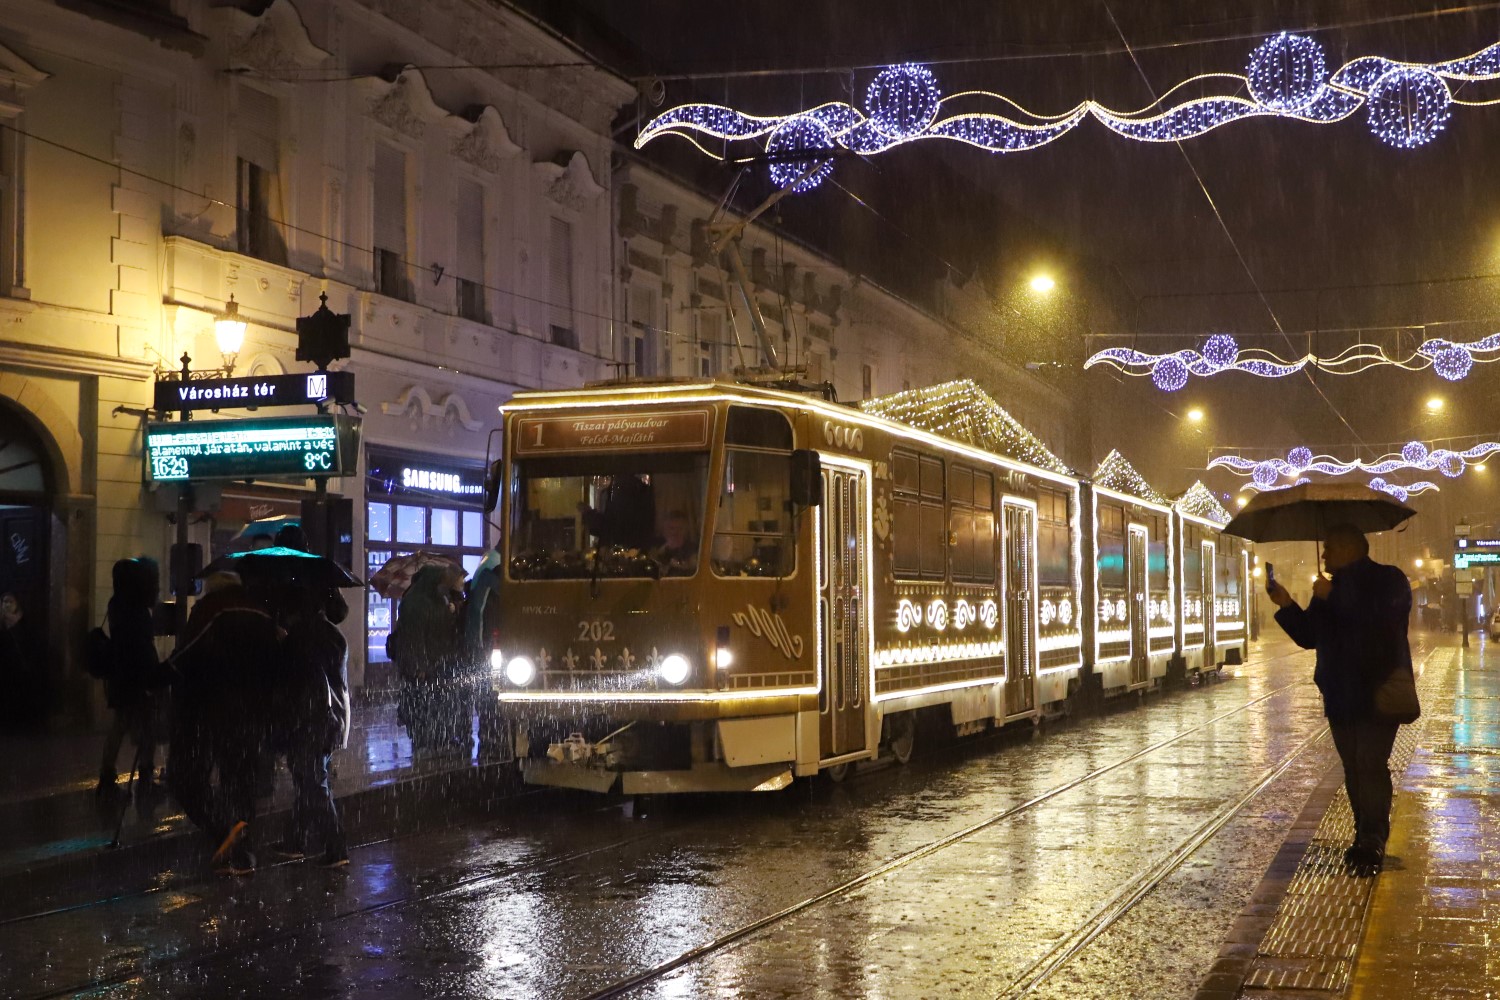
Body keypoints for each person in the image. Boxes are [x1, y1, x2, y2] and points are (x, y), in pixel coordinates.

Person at [1267, 524, 1414, 873]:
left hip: (1378, 694)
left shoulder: (1389, 580)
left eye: (1329, 547)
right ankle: (1362, 835)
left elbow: (1382, 624)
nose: (1324, 554)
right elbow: (1309, 636)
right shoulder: (1327, 589)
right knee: (1354, 768)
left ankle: (1372, 840)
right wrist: (1287, 604)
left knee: (1370, 765)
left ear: (1350, 548)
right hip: (1339, 694)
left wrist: (1335, 596)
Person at [170, 572, 281, 875]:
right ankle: (242, 849)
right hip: (253, 715)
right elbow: (277, 663)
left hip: (210, 711)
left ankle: (222, 831)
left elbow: (185, 657)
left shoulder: (210, 611)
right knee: (239, 780)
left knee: (185, 777)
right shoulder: (261, 613)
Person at [272, 583, 350, 868]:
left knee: (313, 781)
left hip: (308, 721)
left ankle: (336, 847)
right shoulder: (332, 634)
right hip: (331, 720)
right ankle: (295, 840)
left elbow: (295, 683)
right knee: (308, 780)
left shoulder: (300, 638)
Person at [98, 558, 163, 796]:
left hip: (120, 675)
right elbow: (142, 647)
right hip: (138, 676)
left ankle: (107, 774)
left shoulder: (117, 604)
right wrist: (151, 676)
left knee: (120, 725)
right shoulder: (136, 610)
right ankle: (145, 775)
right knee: (147, 727)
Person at [388, 564, 467, 754]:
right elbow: (413, 638)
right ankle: (424, 741)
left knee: (434, 703)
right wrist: (418, 665)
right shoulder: (417, 602)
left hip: (436, 662)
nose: (442, 585)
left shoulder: (432, 599)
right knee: (421, 704)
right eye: (440, 581)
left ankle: (436, 739)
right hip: (423, 665)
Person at [0, 592, 46, 728]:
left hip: (21, 667)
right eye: (4, 602)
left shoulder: (25, 622)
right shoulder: (2, 623)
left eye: (10, 602)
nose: (7, 605)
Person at [577, 473, 656, 550]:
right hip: (637, 548)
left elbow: (611, 526)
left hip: (625, 549)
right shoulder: (642, 491)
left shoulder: (623, 491)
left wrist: (589, 514)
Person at [651, 510, 698, 576]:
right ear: (664, 530)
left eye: (680, 528)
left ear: (686, 530)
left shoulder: (693, 550)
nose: (675, 532)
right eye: (671, 528)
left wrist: (678, 566)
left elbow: (694, 571)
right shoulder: (656, 548)